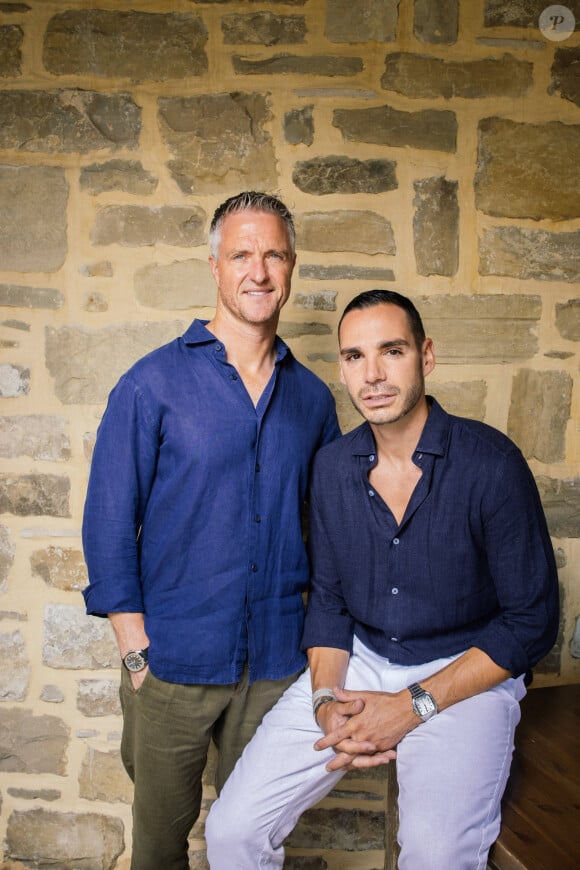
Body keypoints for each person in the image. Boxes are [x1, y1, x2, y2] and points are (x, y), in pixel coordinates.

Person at [205, 289, 560, 870]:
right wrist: (324, 699)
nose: (372, 374)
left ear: (426, 355)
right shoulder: (331, 469)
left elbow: (531, 623)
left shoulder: (492, 464)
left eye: (391, 351)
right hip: (360, 662)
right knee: (231, 831)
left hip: (468, 670)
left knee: (436, 857)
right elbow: (329, 602)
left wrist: (410, 706)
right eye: (353, 357)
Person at [81, 191, 341, 870]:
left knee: (248, 840)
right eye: (242, 255)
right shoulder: (151, 384)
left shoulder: (313, 400)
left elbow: (331, 532)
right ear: (215, 266)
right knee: (160, 841)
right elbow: (109, 519)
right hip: (171, 662)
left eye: (274, 255)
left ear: (292, 266)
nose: (259, 271)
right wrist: (135, 648)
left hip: (277, 664)